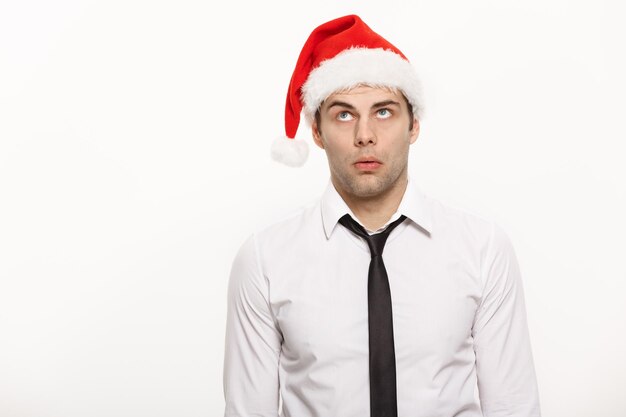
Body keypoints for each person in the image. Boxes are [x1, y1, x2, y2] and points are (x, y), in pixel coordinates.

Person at [223, 14, 541, 417]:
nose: (365, 135)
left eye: (385, 112)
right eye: (343, 114)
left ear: (414, 125)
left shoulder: (483, 250)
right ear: (317, 133)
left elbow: (514, 406)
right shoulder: (264, 260)